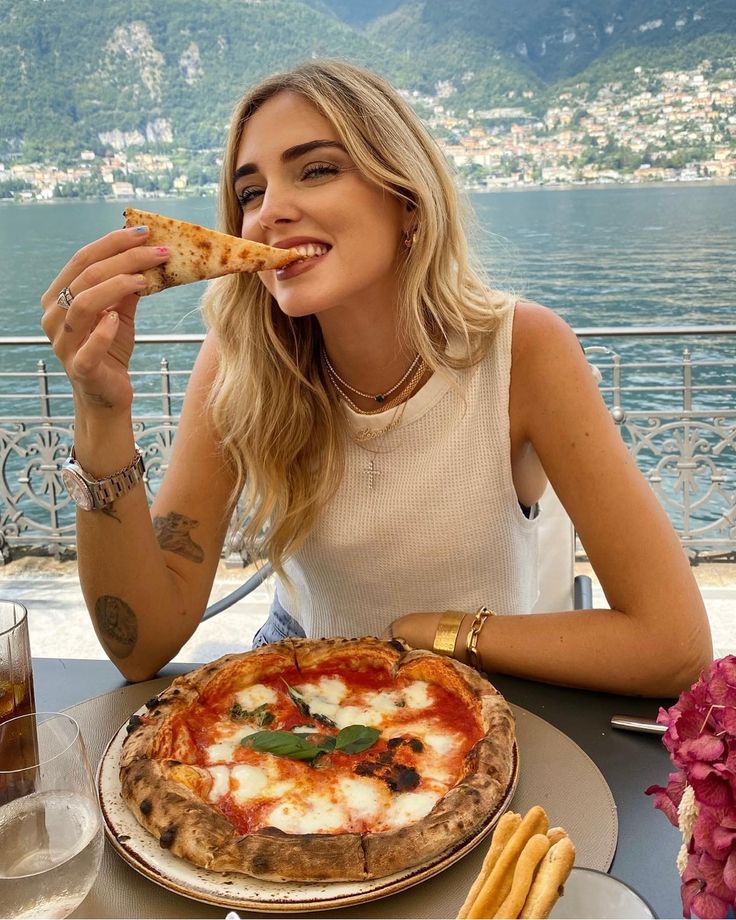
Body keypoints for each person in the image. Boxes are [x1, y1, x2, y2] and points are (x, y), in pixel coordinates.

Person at [41, 60, 711, 695]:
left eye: (316, 170)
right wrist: (101, 410)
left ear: (407, 203)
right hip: (303, 689)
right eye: (251, 191)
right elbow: (141, 646)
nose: (269, 210)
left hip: (475, 690)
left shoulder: (522, 351)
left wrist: (433, 634)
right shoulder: (240, 356)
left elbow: (674, 646)